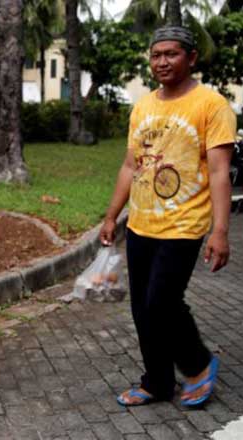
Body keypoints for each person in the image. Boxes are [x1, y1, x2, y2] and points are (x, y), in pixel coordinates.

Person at [100, 26, 235, 407]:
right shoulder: (143, 106)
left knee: (162, 302)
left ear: (191, 58)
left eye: (171, 54)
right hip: (141, 223)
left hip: (185, 224)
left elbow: (221, 171)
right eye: (156, 54)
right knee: (143, 308)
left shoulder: (211, 104)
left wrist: (220, 232)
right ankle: (157, 381)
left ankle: (198, 364)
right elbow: (130, 165)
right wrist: (112, 216)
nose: (162, 61)